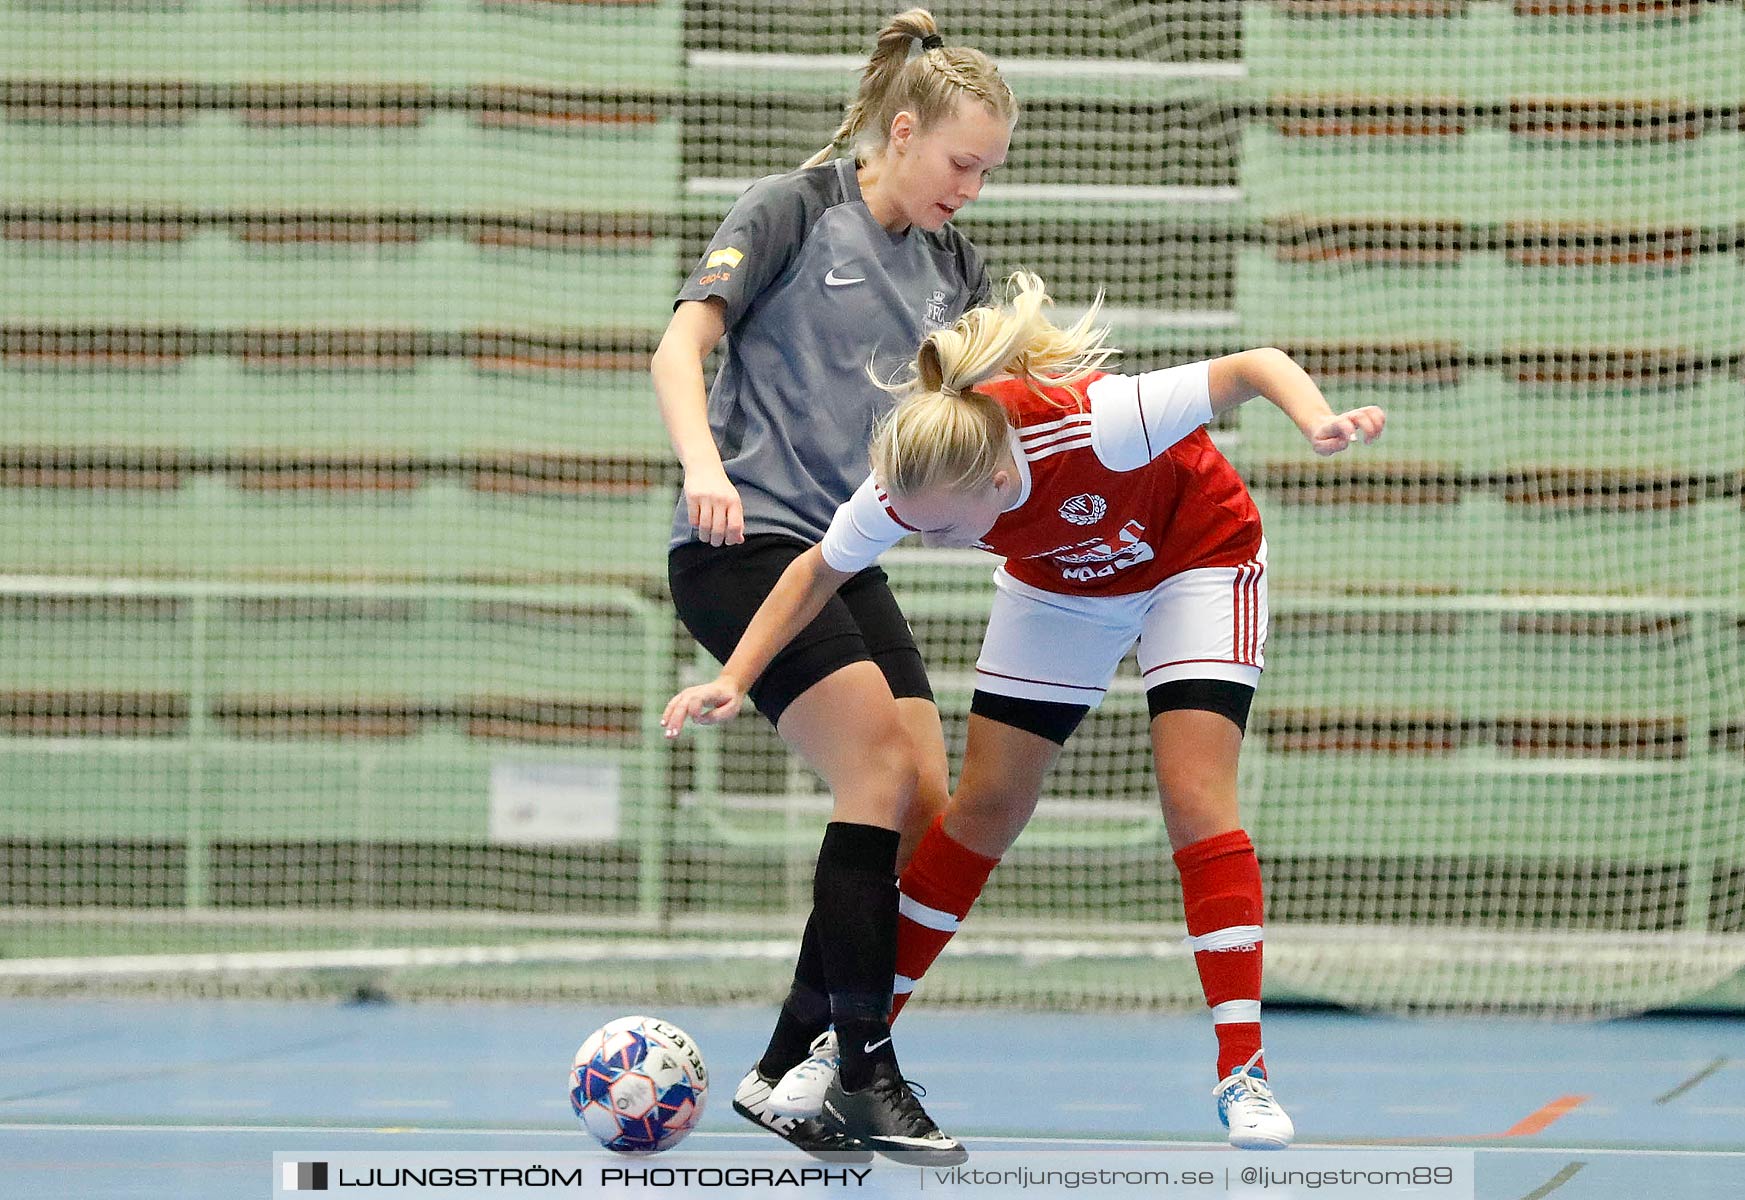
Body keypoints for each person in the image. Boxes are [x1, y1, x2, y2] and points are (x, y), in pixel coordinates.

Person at [661, 271, 1387, 1150]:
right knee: (980, 813)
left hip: (1195, 560)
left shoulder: (1101, 421)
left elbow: (1255, 362)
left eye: (944, 529)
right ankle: (842, 1049)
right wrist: (734, 678)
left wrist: (1317, 422)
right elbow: (816, 571)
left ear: (1003, 473)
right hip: (1062, 588)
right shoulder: (914, 476)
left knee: (1196, 800)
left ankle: (1243, 1074)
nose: (927, 539)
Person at [648, 6, 1018, 1165]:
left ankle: (777, 1069)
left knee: (921, 805)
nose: (972, 186)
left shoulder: (954, 270)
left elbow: (983, 422)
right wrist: (702, 465)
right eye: (961, 162)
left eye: (989, 170)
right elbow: (678, 346)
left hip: (839, 551)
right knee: (872, 769)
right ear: (900, 133)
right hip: (742, 544)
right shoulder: (791, 208)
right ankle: (861, 1068)